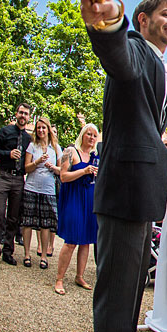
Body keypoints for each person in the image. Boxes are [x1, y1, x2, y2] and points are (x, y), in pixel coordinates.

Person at [82, 0, 167, 332]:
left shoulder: (158, 62)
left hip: (143, 191)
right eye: (166, 14)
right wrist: (106, 23)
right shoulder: (135, 47)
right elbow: (115, 52)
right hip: (123, 190)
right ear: (143, 19)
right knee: (116, 293)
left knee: (134, 289)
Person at [55, 123, 99, 295]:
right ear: (83, 134)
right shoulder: (70, 151)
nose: (91, 138)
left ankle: (79, 276)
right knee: (72, 240)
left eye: (94, 135)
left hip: (89, 200)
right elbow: (63, 176)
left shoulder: (95, 156)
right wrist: (84, 171)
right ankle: (59, 278)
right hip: (74, 199)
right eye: (89, 134)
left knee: (86, 240)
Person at [0, 103, 32, 266]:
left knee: (13, 217)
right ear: (16, 114)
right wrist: (8, 154)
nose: (23, 116)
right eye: (21, 112)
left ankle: (8, 251)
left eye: (26, 114)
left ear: (28, 117)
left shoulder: (28, 138)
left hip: (19, 179)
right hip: (4, 176)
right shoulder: (5, 131)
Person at [20, 117, 61, 269]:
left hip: (48, 190)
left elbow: (61, 170)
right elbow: (26, 168)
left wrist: (52, 167)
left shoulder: (56, 148)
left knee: (46, 224)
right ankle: (26, 254)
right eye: (38, 128)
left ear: (48, 129)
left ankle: (44, 255)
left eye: (44, 128)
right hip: (31, 187)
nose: (41, 130)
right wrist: (37, 162)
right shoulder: (32, 146)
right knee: (28, 222)